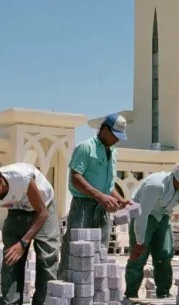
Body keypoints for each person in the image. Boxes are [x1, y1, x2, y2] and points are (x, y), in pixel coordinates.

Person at [0, 161, 60, 305]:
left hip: (43, 206)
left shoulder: (21, 179)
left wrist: (23, 243)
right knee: (11, 258)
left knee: (47, 257)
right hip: (18, 209)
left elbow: (43, 214)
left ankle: (43, 302)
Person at [56, 113, 130, 280]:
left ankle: (92, 293)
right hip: (83, 206)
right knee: (75, 249)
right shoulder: (85, 148)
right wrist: (100, 197)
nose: (116, 140)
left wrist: (120, 199)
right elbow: (76, 178)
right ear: (104, 129)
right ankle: (65, 287)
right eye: (114, 136)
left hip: (101, 209)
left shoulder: (114, 151)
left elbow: (108, 185)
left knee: (99, 250)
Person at [123, 163, 179, 301]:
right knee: (138, 255)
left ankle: (163, 294)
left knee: (165, 254)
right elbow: (142, 214)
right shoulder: (156, 186)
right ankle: (131, 295)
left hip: (162, 215)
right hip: (142, 215)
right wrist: (140, 241)